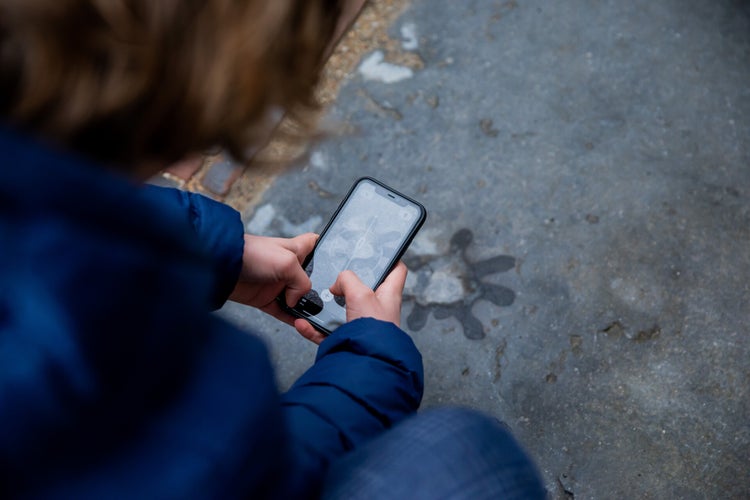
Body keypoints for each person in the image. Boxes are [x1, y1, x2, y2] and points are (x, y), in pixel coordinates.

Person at [0, 1, 545, 498]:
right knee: (471, 456)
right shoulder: (85, 346)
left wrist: (216, 250)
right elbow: (245, 476)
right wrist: (376, 361)